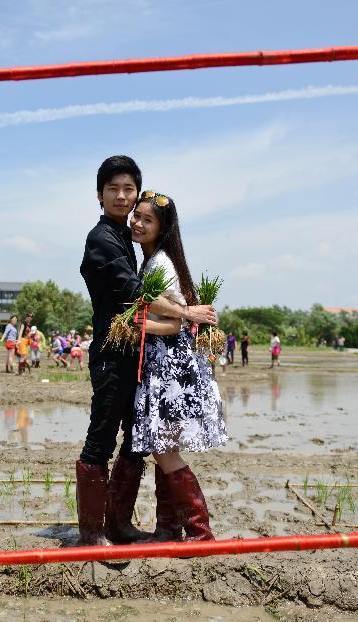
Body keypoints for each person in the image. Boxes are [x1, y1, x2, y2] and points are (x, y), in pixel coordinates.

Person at [77, 155, 217, 547]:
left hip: (136, 357)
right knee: (101, 439)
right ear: (100, 195)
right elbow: (134, 293)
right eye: (113, 189)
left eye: (129, 189)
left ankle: (119, 525)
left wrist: (179, 316)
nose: (122, 197)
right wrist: (188, 312)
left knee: (137, 441)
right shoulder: (103, 238)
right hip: (111, 354)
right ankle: (92, 533)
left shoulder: (128, 239)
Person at [129, 190, 226, 541]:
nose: (138, 223)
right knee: (164, 448)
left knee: (164, 450)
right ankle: (168, 529)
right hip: (165, 368)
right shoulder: (152, 261)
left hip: (170, 371)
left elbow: (174, 325)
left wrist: (140, 325)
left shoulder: (161, 264)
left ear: (162, 228)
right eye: (137, 216)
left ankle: (200, 534)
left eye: (148, 220)